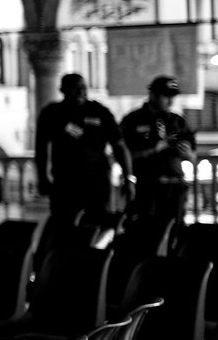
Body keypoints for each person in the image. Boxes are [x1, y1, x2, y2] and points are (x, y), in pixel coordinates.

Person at [34, 72, 125, 227]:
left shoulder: (99, 111)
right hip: (66, 179)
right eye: (74, 88)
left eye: (83, 87)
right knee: (63, 224)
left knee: (99, 222)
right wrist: (42, 178)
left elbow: (119, 145)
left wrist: (128, 176)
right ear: (63, 90)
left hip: (97, 179)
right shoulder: (52, 113)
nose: (80, 92)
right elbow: (41, 148)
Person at [120, 75, 197, 222]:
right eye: (165, 96)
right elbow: (124, 155)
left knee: (175, 230)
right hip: (148, 187)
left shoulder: (177, 121)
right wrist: (155, 148)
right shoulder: (133, 120)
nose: (170, 101)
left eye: (173, 96)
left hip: (175, 186)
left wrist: (187, 154)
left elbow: (193, 156)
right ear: (153, 95)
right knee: (149, 231)